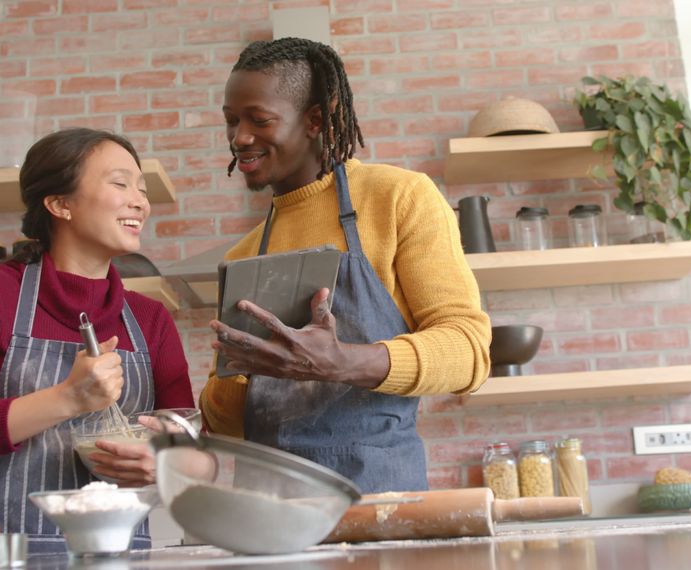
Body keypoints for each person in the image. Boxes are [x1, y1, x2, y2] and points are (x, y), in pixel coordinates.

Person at [199, 38, 492, 493]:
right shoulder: (244, 256)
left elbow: (469, 352)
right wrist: (236, 368)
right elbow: (226, 425)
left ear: (315, 119)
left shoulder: (397, 198)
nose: (239, 137)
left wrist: (340, 362)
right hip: (267, 510)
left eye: (259, 120)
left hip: (380, 497)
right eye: (231, 121)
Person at [0, 128, 193, 553]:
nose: (140, 201)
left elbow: (191, 450)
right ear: (60, 204)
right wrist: (67, 399)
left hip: (118, 559)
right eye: (119, 183)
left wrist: (167, 465)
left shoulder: (150, 319)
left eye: (141, 188)